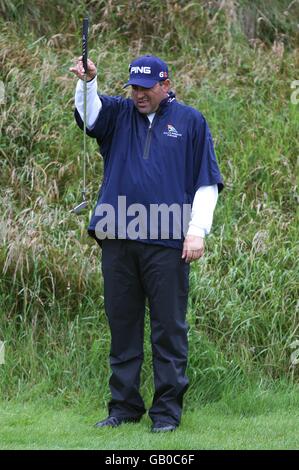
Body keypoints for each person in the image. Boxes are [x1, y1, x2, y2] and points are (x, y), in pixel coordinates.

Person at [70, 55, 224, 433]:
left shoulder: (190, 121)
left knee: (168, 330)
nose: (137, 94)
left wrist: (197, 230)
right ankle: (124, 408)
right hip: (117, 235)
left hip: (168, 239)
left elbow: (206, 180)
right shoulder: (119, 113)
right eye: (133, 87)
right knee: (122, 327)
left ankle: (167, 414)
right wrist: (88, 82)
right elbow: (89, 116)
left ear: (165, 84)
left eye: (145, 87)